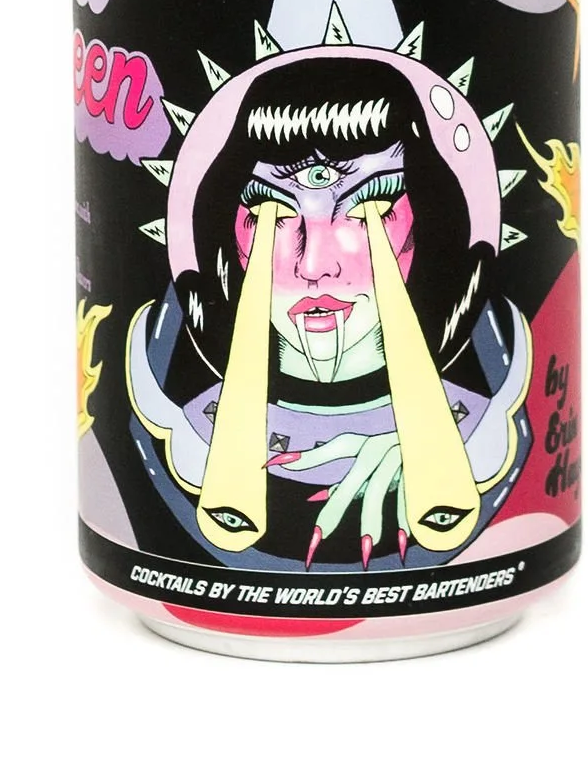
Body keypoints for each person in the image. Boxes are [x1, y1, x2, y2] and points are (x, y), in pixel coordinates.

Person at [124, 47, 532, 569]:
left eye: (372, 208)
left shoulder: (483, 401)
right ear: (224, 232)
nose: (316, 266)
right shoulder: (185, 408)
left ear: (432, 220)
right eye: (271, 213)